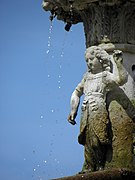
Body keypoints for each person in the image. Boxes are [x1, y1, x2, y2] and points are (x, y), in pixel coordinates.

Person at [68, 46, 128, 173]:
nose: (89, 63)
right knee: (87, 140)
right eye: (87, 61)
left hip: (98, 109)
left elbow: (121, 80)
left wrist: (118, 64)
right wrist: (73, 110)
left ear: (100, 60)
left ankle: (101, 166)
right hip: (85, 110)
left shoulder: (104, 76)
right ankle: (89, 166)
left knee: (97, 139)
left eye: (91, 59)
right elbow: (76, 92)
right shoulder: (86, 77)